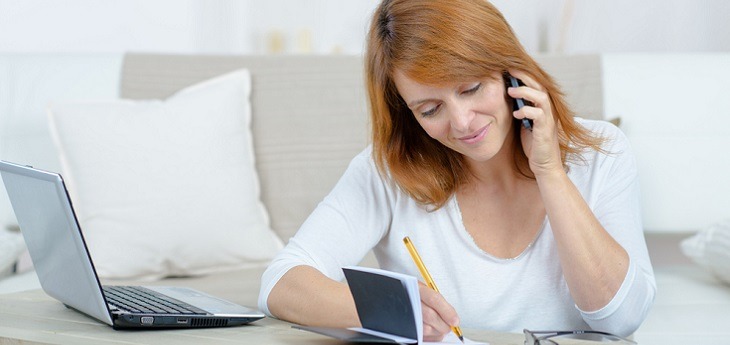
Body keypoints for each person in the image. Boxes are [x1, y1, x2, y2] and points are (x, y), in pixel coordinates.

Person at [258, 0, 656, 341]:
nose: (463, 122)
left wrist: (550, 171)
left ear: (510, 73)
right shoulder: (388, 171)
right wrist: (384, 309)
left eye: (471, 89)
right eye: (430, 110)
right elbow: (281, 282)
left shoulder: (600, 152)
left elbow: (619, 319)